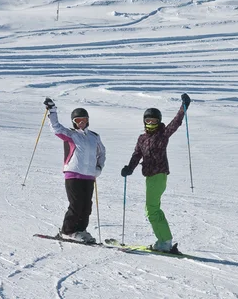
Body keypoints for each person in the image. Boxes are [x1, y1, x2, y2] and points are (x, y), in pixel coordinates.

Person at [121, 93, 191, 252]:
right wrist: (129, 168)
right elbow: (137, 155)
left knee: (152, 208)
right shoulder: (142, 138)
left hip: (159, 175)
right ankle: (163, 240)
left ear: (158, 122)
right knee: (152, 208)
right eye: (148, 121)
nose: (151, 123)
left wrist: (184, 107)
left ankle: (165, 241)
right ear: (144, 122)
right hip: (150, 177)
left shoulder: (163, 134)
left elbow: (176, 122)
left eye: (154, 121)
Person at [44, 97, 106, 243]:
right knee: (76, 204)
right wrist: (52, 110)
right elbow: (55, 127)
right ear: (74, 122)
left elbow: (102, 153)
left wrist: (99, 167)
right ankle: (67, 231)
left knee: (87, 205)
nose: (81, 122)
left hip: (89, 176)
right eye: (78, 120)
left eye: (83, 119)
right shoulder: (70, 135)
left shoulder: (94, 137)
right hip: (73, 174)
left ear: (88, 120)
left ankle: (81, 230)